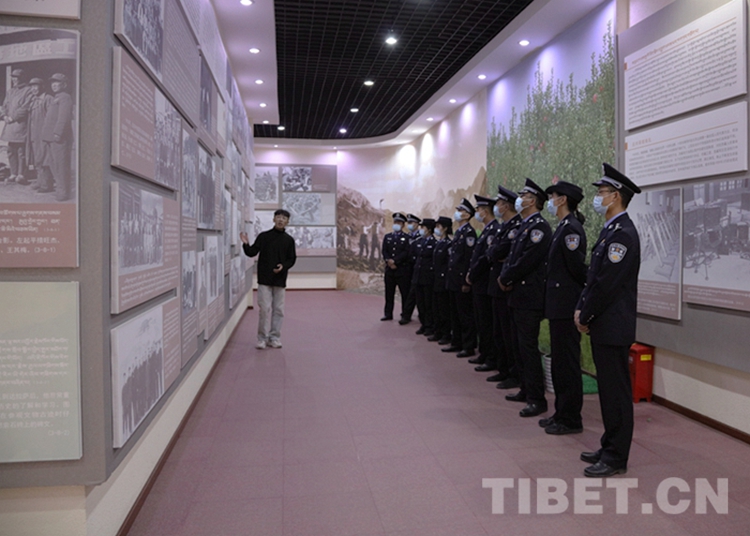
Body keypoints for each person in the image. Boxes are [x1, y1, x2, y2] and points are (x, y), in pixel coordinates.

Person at [575, 163, 641, 477]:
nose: (598, 197)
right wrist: (582, 308)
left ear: (615, 196)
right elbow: (594, 278)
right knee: (608, 392)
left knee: (616, 394)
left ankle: (616, 457)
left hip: (613, 325)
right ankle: (609, 444)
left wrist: (586, 313)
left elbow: (606, 285)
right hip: (605, 323)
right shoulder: (611, 231)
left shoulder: (623, 235)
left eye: (601, 192)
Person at [499, 178, 552, 418]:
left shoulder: (539, 227)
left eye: (523, 196)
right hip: (517, 295)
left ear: (532, 201)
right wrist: (506, 277)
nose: (519, 199)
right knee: (518, 346)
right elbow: (512, 257)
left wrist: (507, 277)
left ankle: (536, 399)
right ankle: (525, 388)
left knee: (528, 348)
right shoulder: (524, 225)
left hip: (529, 297)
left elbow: (527, 261)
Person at [541, 181, 588, 435]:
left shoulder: (571, 229)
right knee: (559, 363)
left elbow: (577, 269)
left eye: (553, 197)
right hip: (557, 305)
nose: (551, 201)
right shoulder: (562, 227)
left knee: (568, 364)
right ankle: (560, 412)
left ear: (563, 200)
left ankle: (571, 418)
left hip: (566, 304)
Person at [240, 209, 297, 349]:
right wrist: (246, 244)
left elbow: (291, 259)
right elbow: (252, 252)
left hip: (280, 279)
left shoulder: (289, 240)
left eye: (284, 218)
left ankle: (274, 338)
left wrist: (283, 266)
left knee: (278, 310)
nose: (281, 220)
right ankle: (262, 338)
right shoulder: (264, 236)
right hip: (264, 279)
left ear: (287, 222)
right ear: (273, 219)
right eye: (278, 217)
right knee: (264, 309)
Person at [486, 186, 522, 385]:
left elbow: (499, 251)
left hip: (505, 286)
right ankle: (503, 369)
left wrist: (494, 252)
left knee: (508, 334)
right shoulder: (503, 226)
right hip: (496, 284)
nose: (496, 207)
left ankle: (513, 373)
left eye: (498, 203)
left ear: (506, 206)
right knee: (498, 331)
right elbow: (492, 252)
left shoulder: (515, 226)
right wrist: (494, 252)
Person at [466, 195, 501, 370]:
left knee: (487, 323)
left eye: (479, 209)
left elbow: (486, 258)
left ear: (485, 211)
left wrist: (472, 274)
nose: (477, 213)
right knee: (482, 322)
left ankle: (491, 358)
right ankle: (484, 354)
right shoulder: (487, 230)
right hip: (479, 283)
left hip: (486, 282)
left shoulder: (494, 230)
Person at [442, 198, 477, 357]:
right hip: (453, 279)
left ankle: (468, 346)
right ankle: (456, 342)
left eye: (460, 210)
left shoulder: (469, 233)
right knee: (454, 313)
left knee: (465, 315)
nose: (457, 213)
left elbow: (468, 259)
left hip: (461, 280)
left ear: (467, 215)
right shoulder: (459, 232)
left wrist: (465, 281)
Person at [41, 73, 74, 201]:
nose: (54, 85)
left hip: (58, 138)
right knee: (54, 165)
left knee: (61, 165)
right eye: (52, 82)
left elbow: (63, 117)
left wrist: (58, 133)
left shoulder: (65, 97)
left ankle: (63, 192)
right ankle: (60, 189)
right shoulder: (56, 97)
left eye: (57, 82)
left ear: (64, 85)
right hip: (50, 137)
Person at [0, 68, 33, 185]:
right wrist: (4, 115)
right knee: (10, 150)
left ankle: (21, 174)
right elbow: (4, 105)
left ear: (22, 78)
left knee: (21, 151)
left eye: (17, 77)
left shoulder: (28, 91)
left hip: (20, 125)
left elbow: (25, 108)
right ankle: (13, 173)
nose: (14, 79)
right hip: (9, 125)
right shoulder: (10, 91)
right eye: (13, 77)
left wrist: (12, 118)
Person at [381, 212, 411, 321]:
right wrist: (388, 260)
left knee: (404, 294)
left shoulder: (407, 238)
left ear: (403, 225)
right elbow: (384, 250)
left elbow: (406, 252)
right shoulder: (388, 237)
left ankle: (405, 315)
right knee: (389, 293)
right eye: (395, 222)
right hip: (389, 270)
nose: (396, 224)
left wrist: (395, 261)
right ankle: (388, 314)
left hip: (401, 270)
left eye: (399, 222)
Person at [429, 216, 453, 344]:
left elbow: (448, 264)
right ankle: (437, 331)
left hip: (443, 280)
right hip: (436, 279)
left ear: (445, 228)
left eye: (439, 226)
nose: (436, 229)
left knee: (444, 309)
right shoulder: (439, 242)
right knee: (436, 308)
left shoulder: (448, 244)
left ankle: (445, 334)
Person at [26, 78, 53, 192]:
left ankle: (46, 185)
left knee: (45, 158)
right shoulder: (33, 99)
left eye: (35, 86)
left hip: (43, 134)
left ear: (42, 87)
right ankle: (40, 181)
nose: (33, 89)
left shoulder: (48, 99)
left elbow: (52, 117)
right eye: (31, 86)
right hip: (34, 134)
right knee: (37, 158)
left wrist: (47, 134)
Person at [413, 218, 437, 336]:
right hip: (418, 276)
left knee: (428, 304)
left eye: (423, 227)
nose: (421, 229)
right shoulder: (419, 241)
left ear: (429, 229)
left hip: (428, 278)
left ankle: (429, 326)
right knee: (420, 303)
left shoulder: (434, 243)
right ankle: (423, 324)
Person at [399, 213, 421, 325]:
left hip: (417, 268)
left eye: (411, 223)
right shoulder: (407, 236)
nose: (409, 225)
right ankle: (406, 313)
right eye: (408, 223)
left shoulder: (421, 237)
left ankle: (417, 314)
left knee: (416, 293)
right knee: (407, 292)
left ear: (417, 224)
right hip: (407, 269)